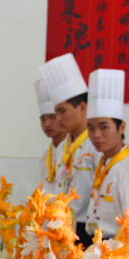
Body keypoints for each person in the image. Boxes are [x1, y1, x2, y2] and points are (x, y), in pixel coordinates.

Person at [39, 53, 97, 248]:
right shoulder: (64, 146)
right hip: (62, 227)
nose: (58, 119)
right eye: (56, 112)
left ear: (82, 108)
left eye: (62, 111)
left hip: (85, 231)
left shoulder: (95, 146)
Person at [85, 69, 129, 240]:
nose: (96, 135)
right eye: (91, 128)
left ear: (121, 127)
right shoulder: (103, 161)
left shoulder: (125, 166)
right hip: (96, 243)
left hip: (117, 247)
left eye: (104, 127)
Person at [35, 79, 66, 195]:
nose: (47, 124)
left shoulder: (72, 153)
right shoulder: (45, 157)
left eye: (53, 118)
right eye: (43, 119)